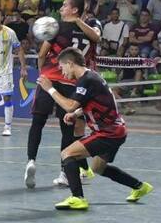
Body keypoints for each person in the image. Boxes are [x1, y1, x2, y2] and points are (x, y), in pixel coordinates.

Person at [36, 47, 153, 211]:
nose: (62, 72)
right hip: (117, 130)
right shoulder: (90, 77)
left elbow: (69, 105)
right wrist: (76, 114)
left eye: (62, 67)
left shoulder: (87, 79)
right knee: (98, 168)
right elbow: (91, 103)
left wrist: (50, 89)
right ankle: (140, 187)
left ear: (70, 63)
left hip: (108, 133)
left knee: (67, 154)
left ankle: (77, 198)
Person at [25, 0, 100, 189]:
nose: (60, 9)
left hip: (50, 77)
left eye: (64, 5)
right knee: (67, 129)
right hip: (71, 82)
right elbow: (97, 38)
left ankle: (31, 161)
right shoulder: (90, 27)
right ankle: (64, 172)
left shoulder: (56, 28)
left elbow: (42, 54)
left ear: (74, 10)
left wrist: (43, 73)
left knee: (37, 122)